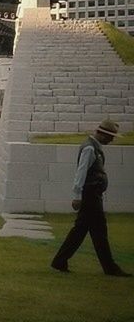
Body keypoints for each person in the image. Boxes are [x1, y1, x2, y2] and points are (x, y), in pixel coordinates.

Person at [51, 119, 132, 277]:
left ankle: (60, 261)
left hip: (92, 195)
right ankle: (109, 267)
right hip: (90, 196)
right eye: (110, 136)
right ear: (102, 134)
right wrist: (77, 195)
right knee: (97, 231)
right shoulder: (89, 148)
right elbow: (80, 174)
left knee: (82, 231)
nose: (111, 140)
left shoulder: (94, 147)